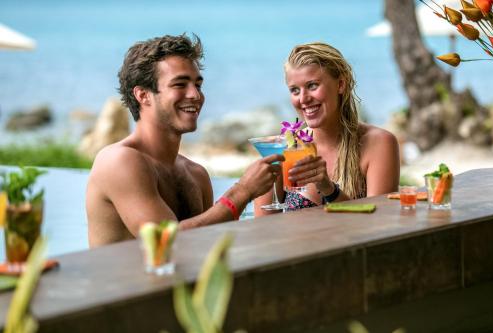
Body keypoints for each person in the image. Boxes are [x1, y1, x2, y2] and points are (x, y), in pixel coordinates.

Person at [86, 34, 283, 247]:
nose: (195, 95)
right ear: (143, 95)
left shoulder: (196, 175)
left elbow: (204, 248)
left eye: (197, 85)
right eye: (180, 84)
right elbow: (163, 242)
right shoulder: (118, 161)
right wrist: (242, 191)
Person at [254, 42, 399, 215]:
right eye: (294, 90)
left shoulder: (379, 143)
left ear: (340, 85)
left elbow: (378, 223)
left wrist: (329, 189)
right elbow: (263, 226)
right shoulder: (284, 147)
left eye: (312, 85)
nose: (303, 99)